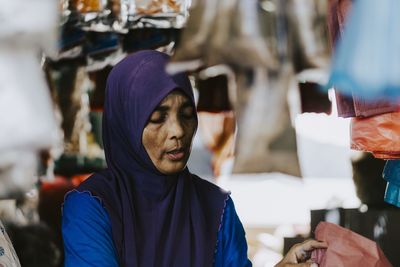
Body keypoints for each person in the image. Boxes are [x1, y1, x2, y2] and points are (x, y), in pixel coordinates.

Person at [61, 50, 327, 267]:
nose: (178, 131)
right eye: (157, 118)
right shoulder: (91, 207)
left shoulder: (217, 207)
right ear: (125, 125)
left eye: (187, 114)